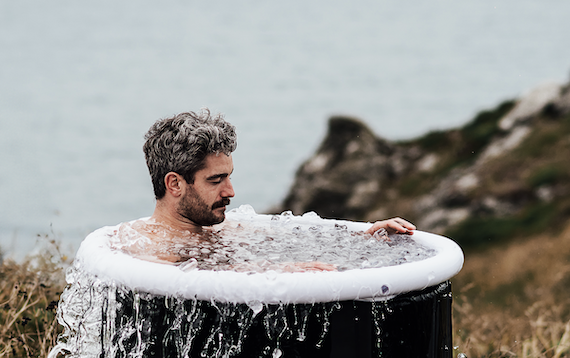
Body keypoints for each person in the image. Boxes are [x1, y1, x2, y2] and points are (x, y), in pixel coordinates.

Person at [118, 110, 414, 267]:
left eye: (229, 177)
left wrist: (365, 237)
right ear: (175, 184)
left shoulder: (219, 230)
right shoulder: (153, 253)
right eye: (215, 180)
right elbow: (216, 279)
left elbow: (304, 241)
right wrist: (285, 274)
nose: (230, 191)